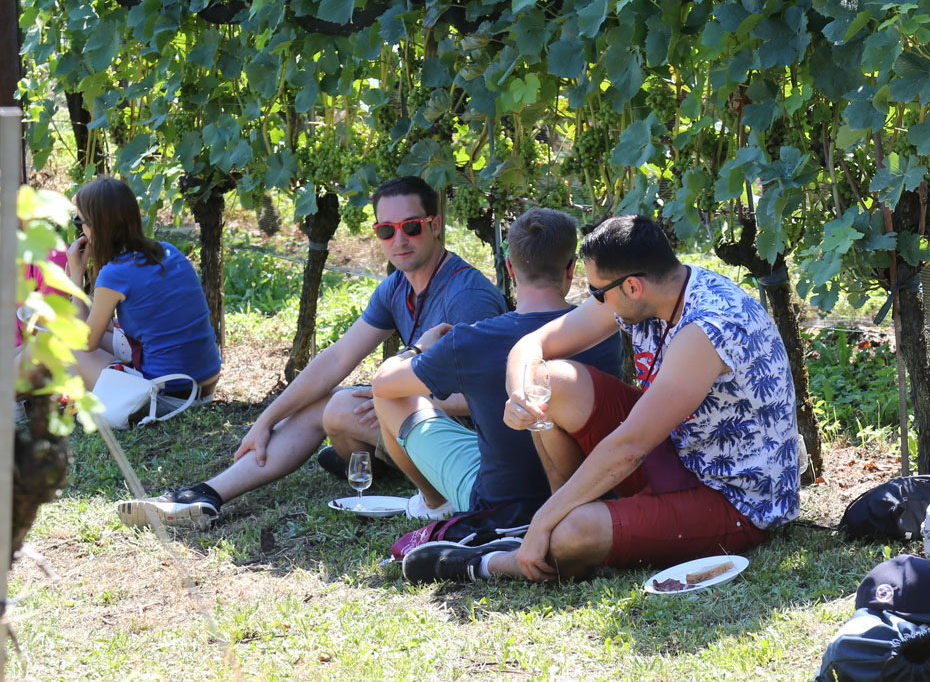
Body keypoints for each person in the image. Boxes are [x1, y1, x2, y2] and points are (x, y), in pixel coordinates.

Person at [402, 214, 800, 584]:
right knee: (549, 380)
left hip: (734, 502)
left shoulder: (705, 330)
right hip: (682, 455)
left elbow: (630, 447)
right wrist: (521, 392)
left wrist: (545, 519)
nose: (593, 299)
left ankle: (494, 562)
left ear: (632, 286)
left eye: (596, 291)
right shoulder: (658, 289)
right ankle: (565, 518)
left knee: (571, 535)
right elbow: (532, 345)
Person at [118, 176, 506, 528]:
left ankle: (366, 461)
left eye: (412, 227)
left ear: (435, 225)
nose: (399, 240)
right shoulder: (398, 287)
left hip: (467, 446)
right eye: (386, 230)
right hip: (421, 423)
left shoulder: (466, 297)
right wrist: (266, 419)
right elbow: (337, 358)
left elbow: (491, 396)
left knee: (337, 409)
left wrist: (401, 400)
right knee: (330, 404)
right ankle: (206, 495)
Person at [371, 208, 622, 522]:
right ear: (571, 268)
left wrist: (420, 346)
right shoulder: (607, 332)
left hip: (499, 507)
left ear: (509, 267)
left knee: (389, 398)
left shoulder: (471, 340)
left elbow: (382, 384)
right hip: (590, 496)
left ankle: (434, 504)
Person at [64, 176, 221, 395]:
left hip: (169, 392)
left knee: (62, 343)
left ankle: (19, 398)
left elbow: (84, 343)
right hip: (206, 381)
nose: (81, 231)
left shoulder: (114, 273)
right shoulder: (167, 251)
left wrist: (76, 275)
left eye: (79, 222)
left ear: (95, 227)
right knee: (94, 322)